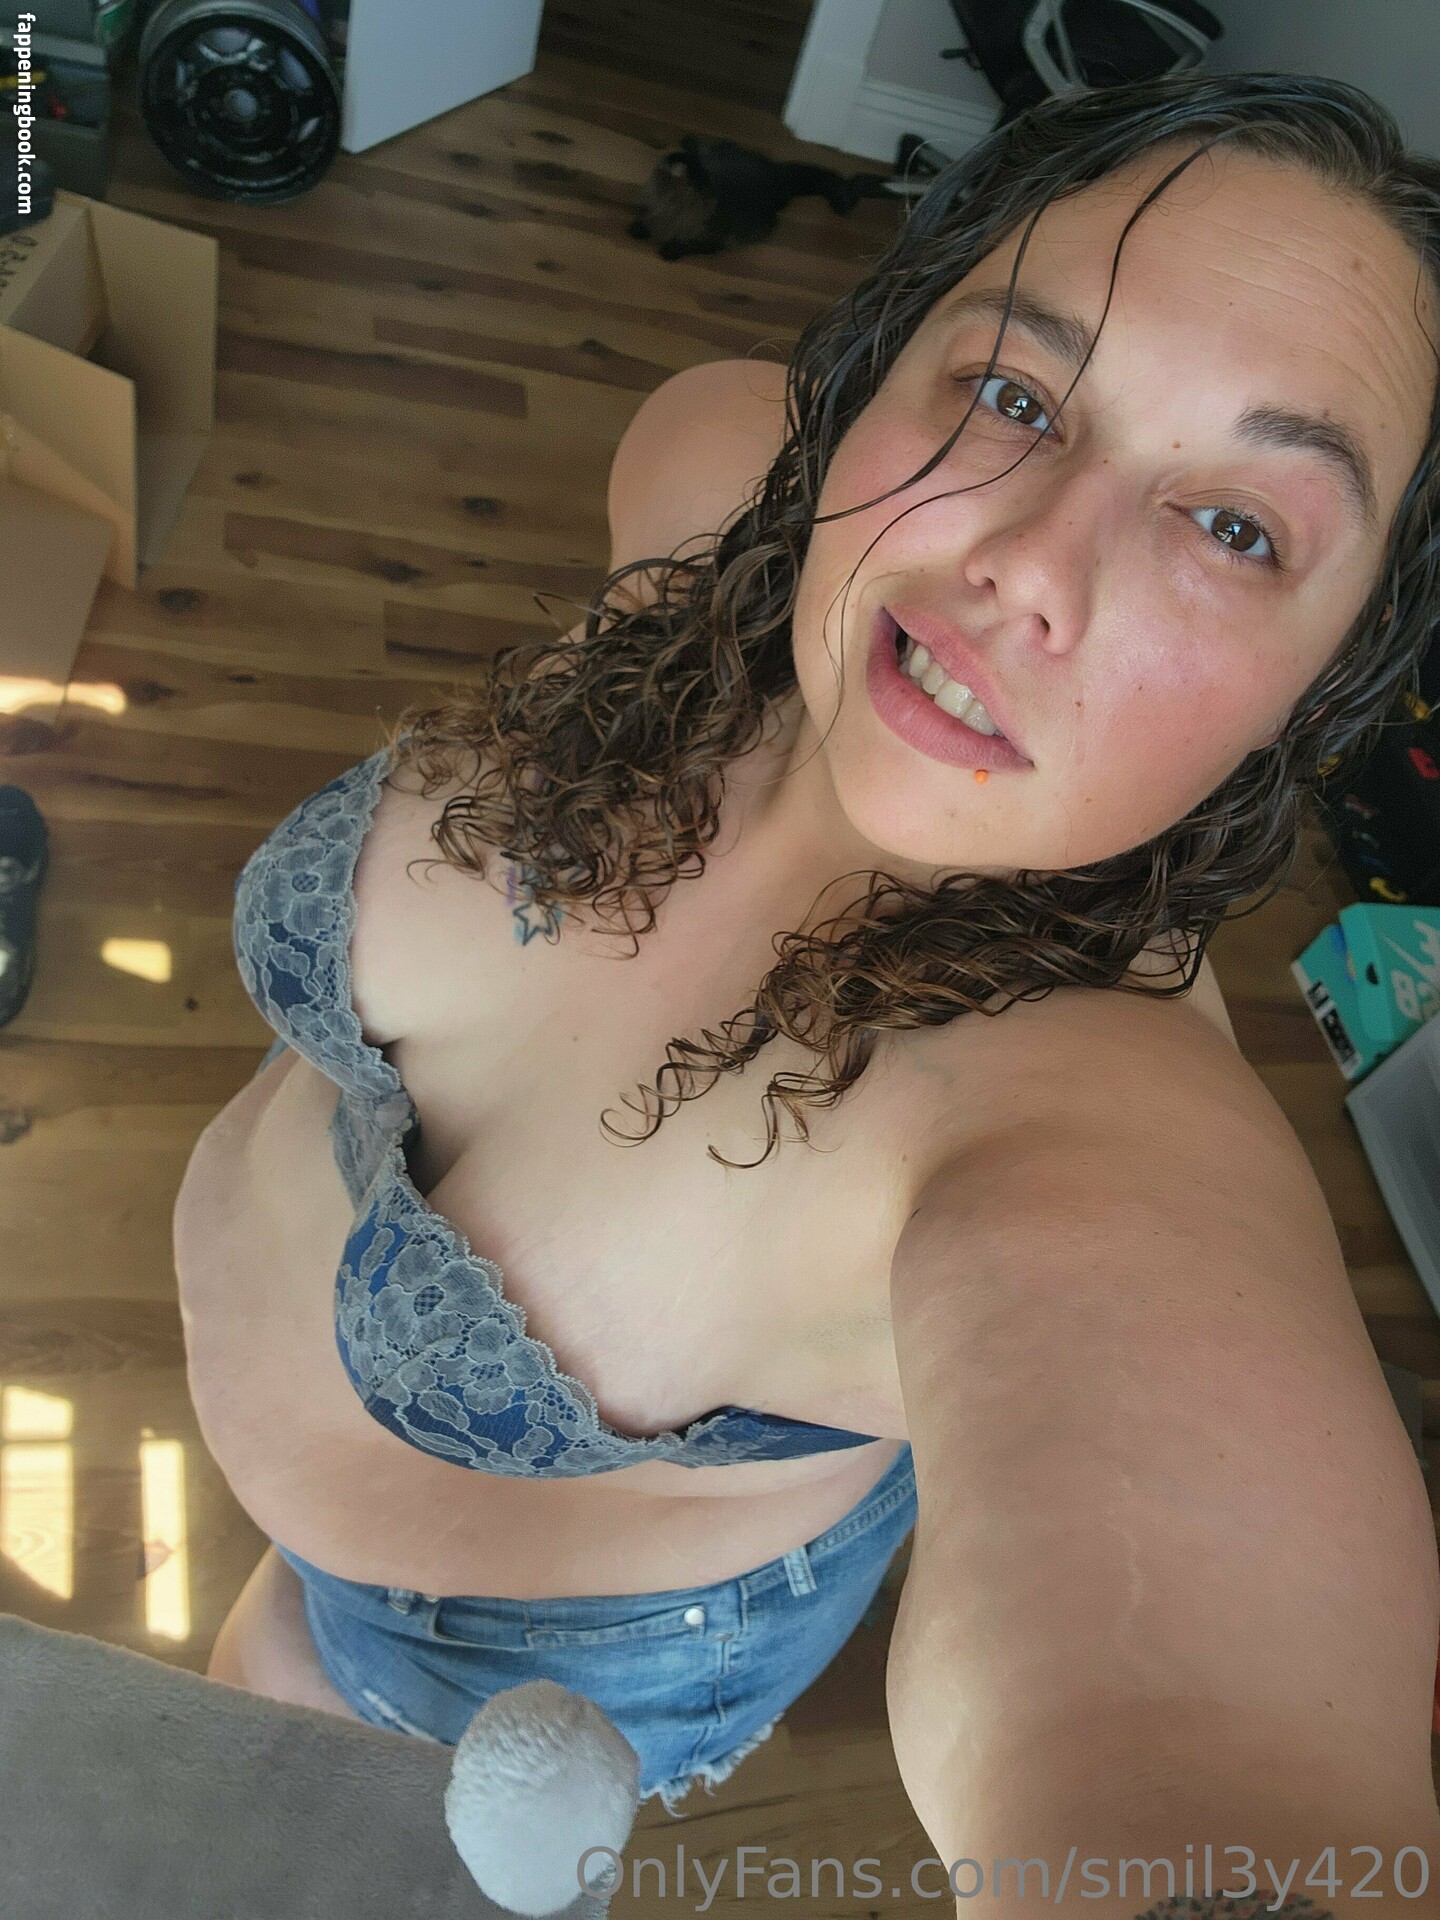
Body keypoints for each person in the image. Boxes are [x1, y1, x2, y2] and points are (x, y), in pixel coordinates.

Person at [184, 70, 1440, 1915]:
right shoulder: (719, 492)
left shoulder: (1092, 1128)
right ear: (876, 370)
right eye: (1015, 394)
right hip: (318, 1523)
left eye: (1235, 528)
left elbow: (1200, 1726)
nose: (1022, 562)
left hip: (511, 1671)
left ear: (1322, 692)